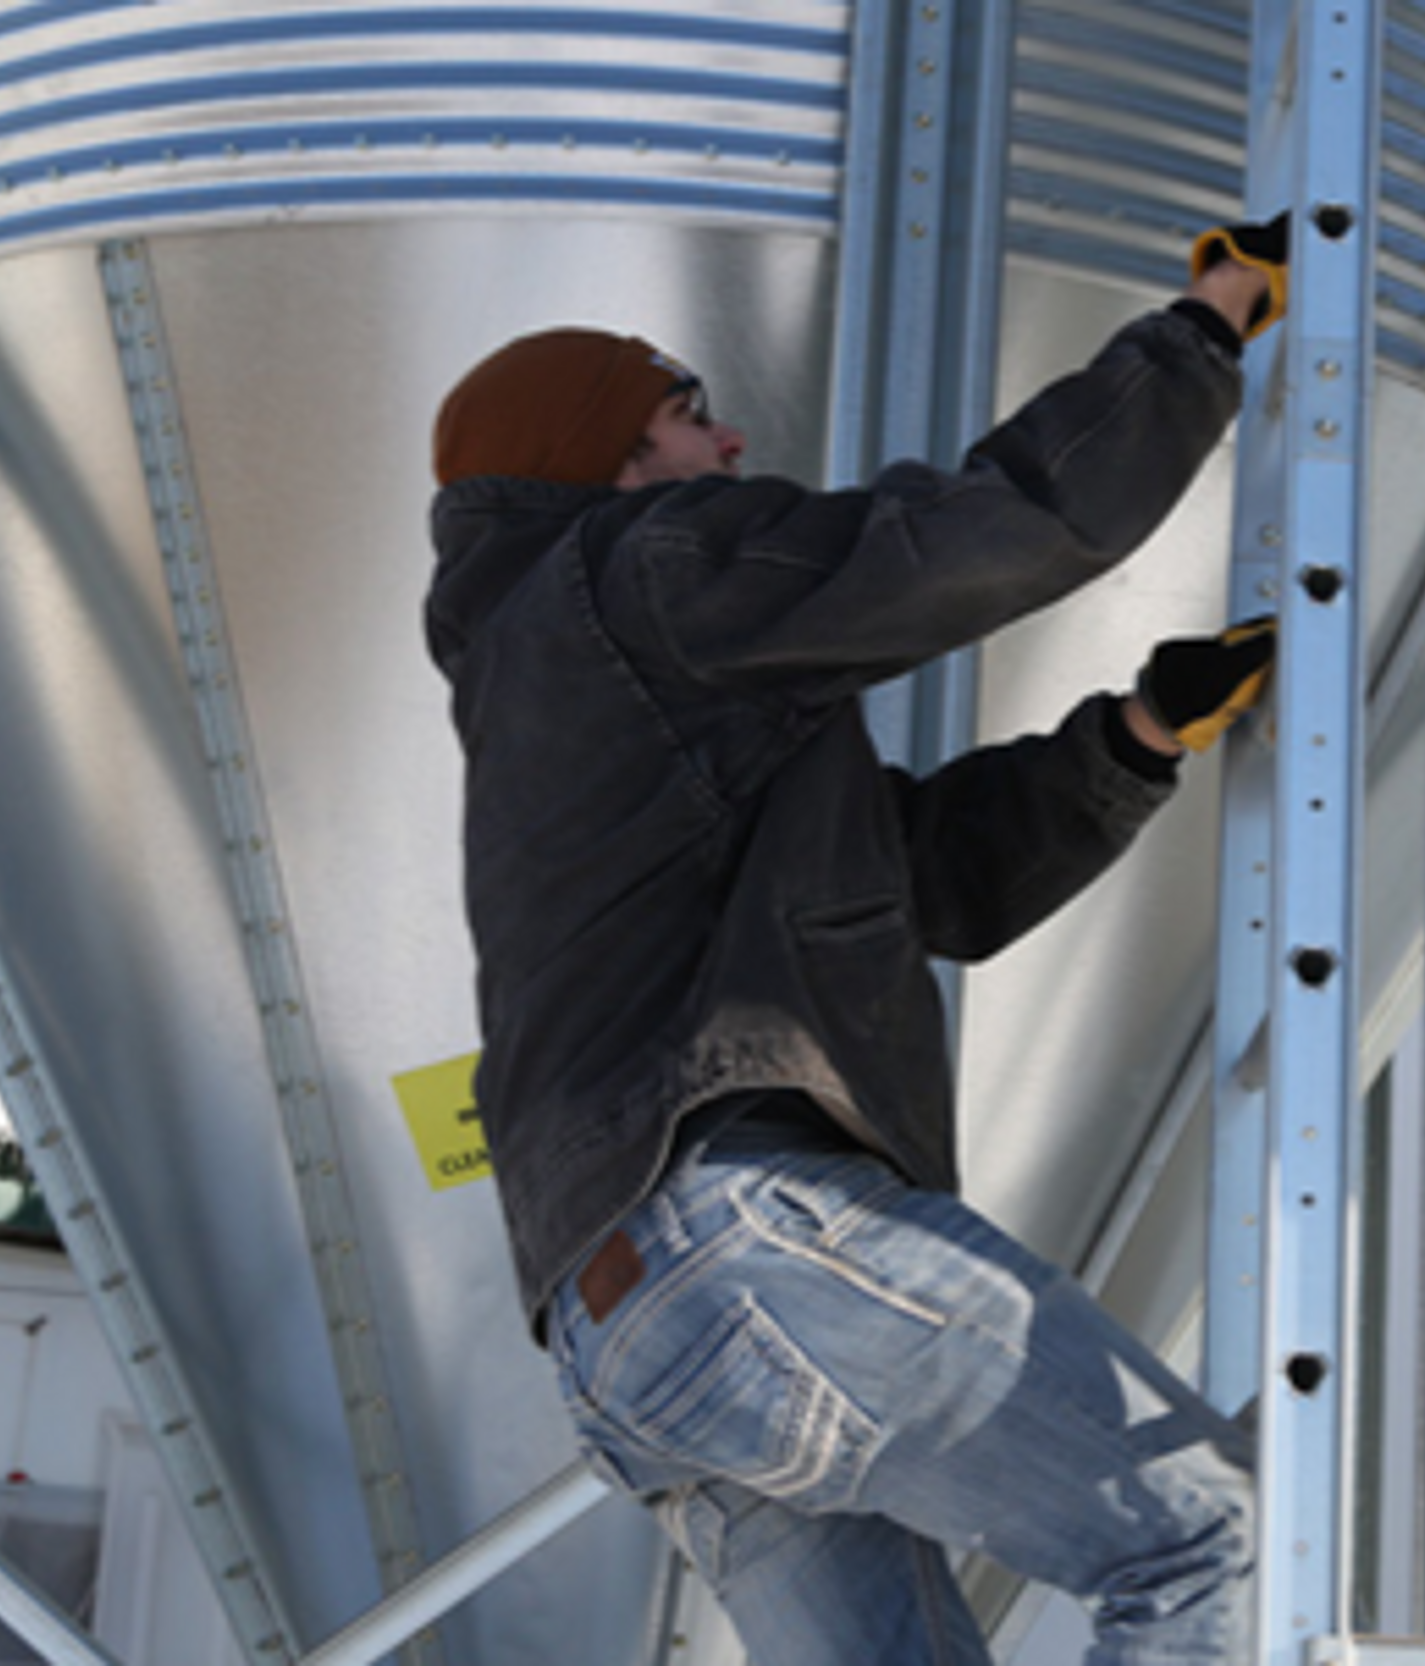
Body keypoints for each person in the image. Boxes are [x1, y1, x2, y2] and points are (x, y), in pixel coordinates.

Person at [423, 218, 1289, 1664]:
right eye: (686, 416)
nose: (731, 436)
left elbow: (922, 885)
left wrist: (1132, 741)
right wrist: (1203, 328)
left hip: (628, 1336)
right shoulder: (631, 572)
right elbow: (980, 529)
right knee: (1205, 1540)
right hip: (740, 1234)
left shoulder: (569, 688)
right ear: (604, 465)